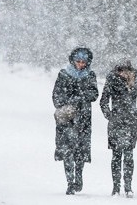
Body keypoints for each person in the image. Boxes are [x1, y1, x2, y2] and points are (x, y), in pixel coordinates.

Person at [52, 47, 99, 195]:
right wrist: (69, 101)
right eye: (78, 61)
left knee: (80, 151)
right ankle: (70, 182)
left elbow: (94, 94)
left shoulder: (90, 75)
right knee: (67, 151)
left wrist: (81, 97)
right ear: (73, 61)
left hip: (84, 119)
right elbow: (56, 95)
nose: (80, 64)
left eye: (83, 62)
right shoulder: (63, 74)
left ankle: (78, 177)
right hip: (66, 118)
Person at [100, 59, 137, 197]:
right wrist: (109, 115)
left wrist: (136, 113)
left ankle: (128, 187)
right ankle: (116, 187)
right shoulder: (111, 80)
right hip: (115, 122)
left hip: (131, 123)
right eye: (120, 70)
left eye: (125, 70)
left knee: (129, 155)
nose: (122, 73)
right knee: (116, 155)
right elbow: (103, 100)